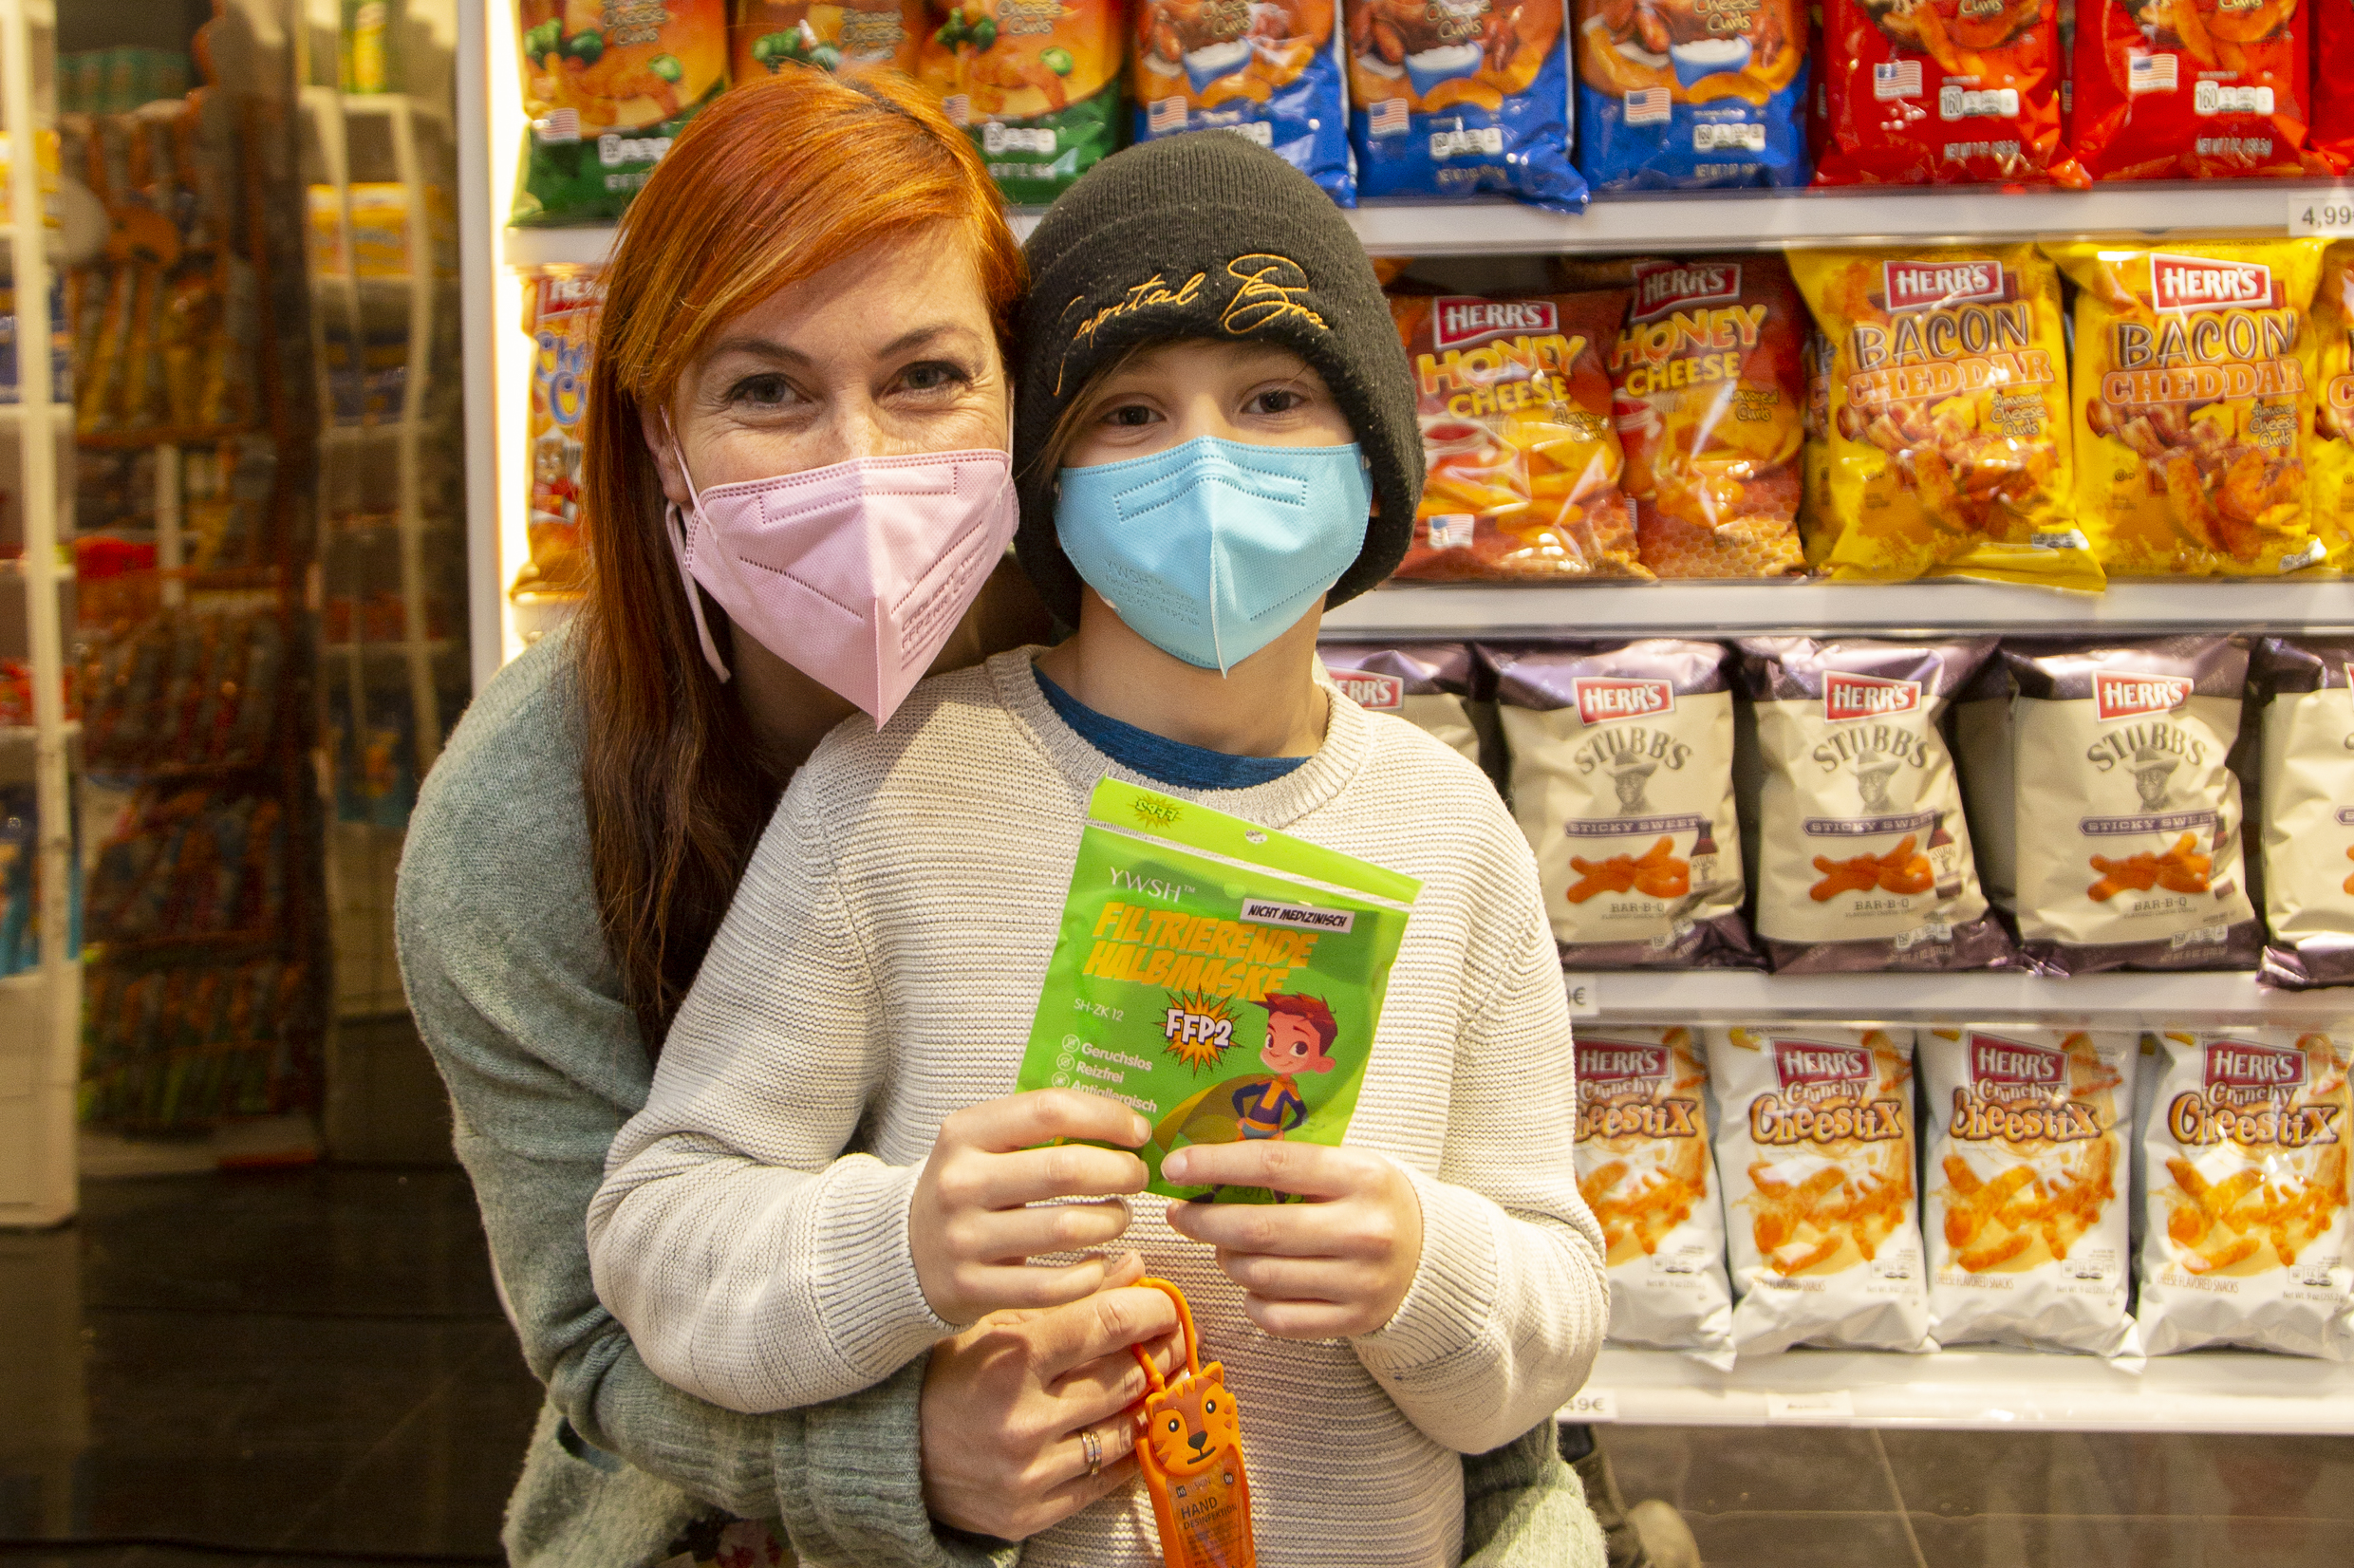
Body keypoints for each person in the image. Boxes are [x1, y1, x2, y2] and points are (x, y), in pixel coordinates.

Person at [400, 70, 1620, 1568]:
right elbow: (622, 1298)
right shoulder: (627, 814)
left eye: (924, 376)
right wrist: (902, 1399)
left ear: (1007, 388)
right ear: (661, 438)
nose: (861, 467)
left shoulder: (1411, 800)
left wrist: (1442, 1303)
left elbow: (1524, 1329)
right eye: (766, 388)